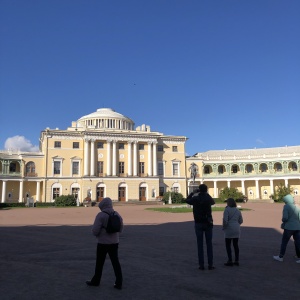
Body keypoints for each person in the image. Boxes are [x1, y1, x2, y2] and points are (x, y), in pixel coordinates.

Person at [86, 197, 123, 289]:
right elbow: (121, 228)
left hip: (103, 242)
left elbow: (95, 230)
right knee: (115, 262)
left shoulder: (101, 215)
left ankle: (96, 281)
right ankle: (119, 282)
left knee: (99, 263)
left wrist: (97, 234)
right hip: (114, 242)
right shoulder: (117, 214)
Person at [186, 184, 215, 270]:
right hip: (208, 222)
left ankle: (201, 265)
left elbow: (187, 200)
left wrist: (192, 193)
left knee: (200, 245)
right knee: (209, 244)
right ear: (206, 190)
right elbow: (213, 202)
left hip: (198, 222)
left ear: (199, 190)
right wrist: (206, 193)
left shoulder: (195, 198)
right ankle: (210, 264)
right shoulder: (208, 198)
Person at [273, 194, 300, 263]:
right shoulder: (297, 207)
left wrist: (283, 220)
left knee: (284, 242)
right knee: (298, 242)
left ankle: (280, 256)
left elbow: (285, 218)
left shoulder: (286, 206)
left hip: (289, 228)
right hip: (298, 227)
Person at [222, 198, 243, 266]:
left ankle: (230, 260)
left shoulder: (226, 210)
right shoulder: (238, 210)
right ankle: (236, 260)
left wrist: (224, 227)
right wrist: (236, 224)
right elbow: (241, 221)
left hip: (229, 228)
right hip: (236, 228)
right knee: (235, 245)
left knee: (228, 245)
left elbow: (225, 220)